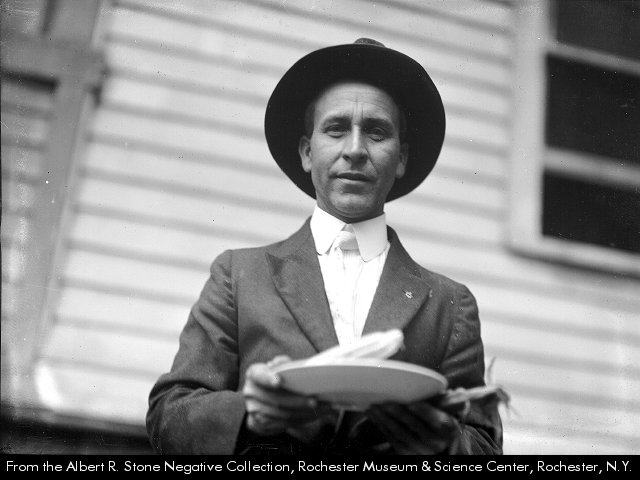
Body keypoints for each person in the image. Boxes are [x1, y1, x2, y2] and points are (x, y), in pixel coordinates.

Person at [146, 38, 503, 455]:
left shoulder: (449, 304)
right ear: (306, 152)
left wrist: (446, 443)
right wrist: (248, 414)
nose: (355, 150)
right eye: (336, 129)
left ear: (402, 158)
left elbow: (483, 444)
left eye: (376, 132)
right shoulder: (239, 276)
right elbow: (169, 414)